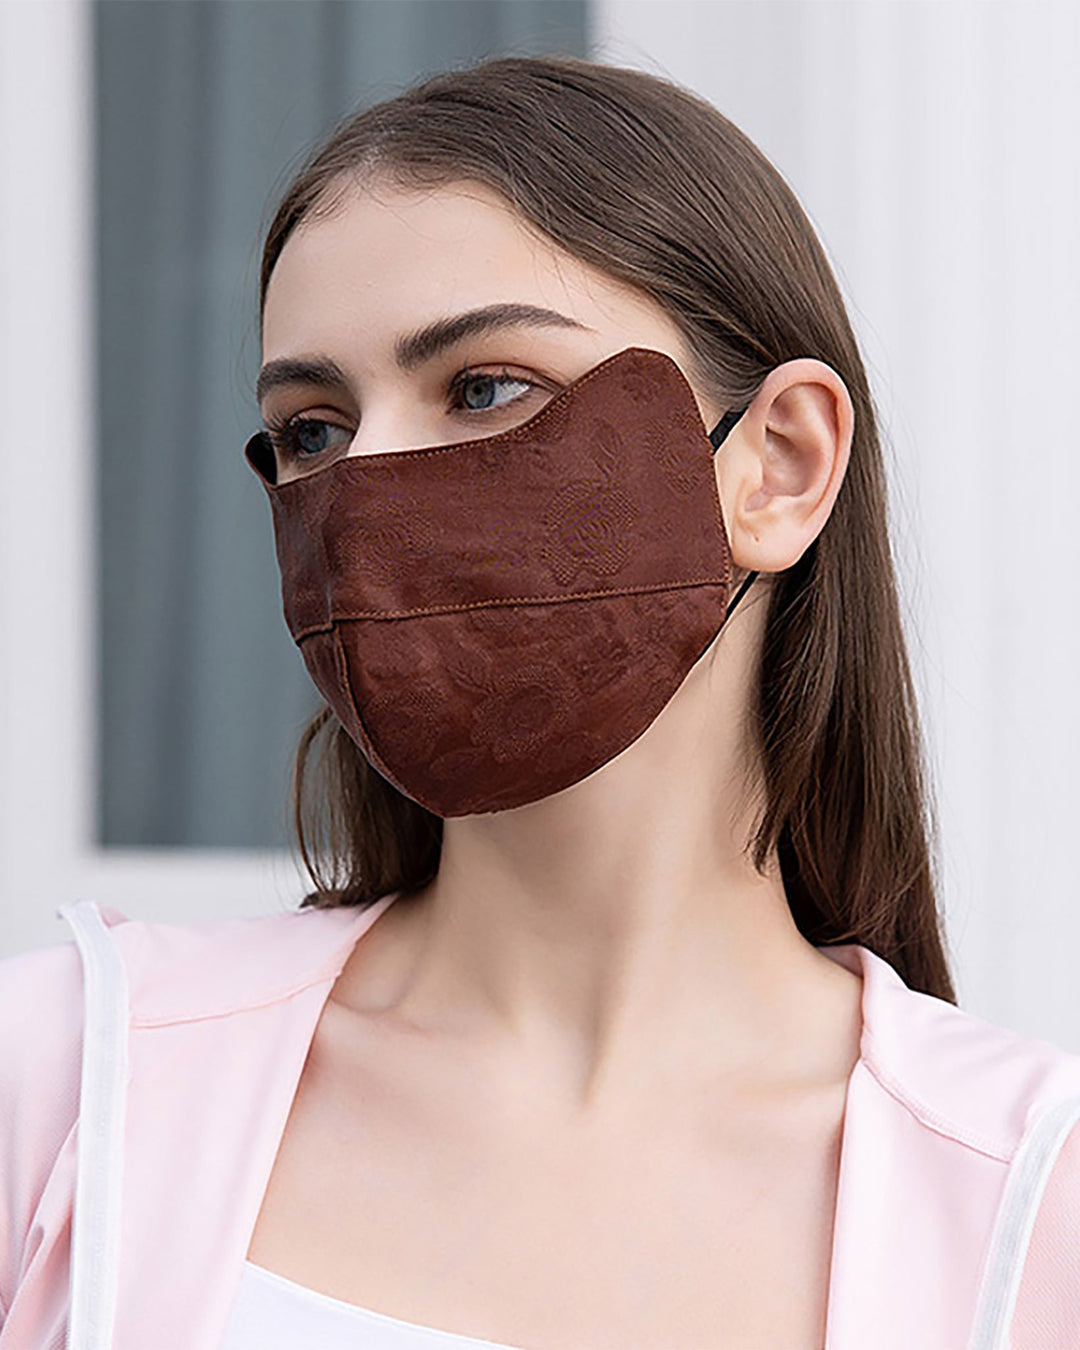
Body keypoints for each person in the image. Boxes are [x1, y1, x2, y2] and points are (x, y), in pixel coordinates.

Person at [2, 54, 1079, 1350]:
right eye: (312, 429)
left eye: (486, 388)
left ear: (778, 467)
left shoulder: (1028, 1189)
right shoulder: (66, 1077)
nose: (367, 489)